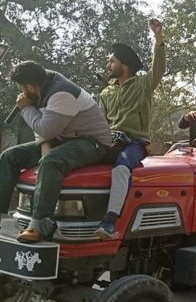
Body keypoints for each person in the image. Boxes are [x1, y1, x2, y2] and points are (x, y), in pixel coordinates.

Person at [0, 61, 112, 243]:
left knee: (51, 161)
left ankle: (39, 224)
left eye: (22, 88)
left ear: (30, 86)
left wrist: (26, 108)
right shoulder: (41, 84)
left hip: (92, 143)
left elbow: (45, 128)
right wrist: (45, 144)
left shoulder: (61, 93)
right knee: (9, 157)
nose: (21, 93)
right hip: (62, 138)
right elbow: (44, 130)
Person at [95, 18, 166, 239]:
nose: (108, 66)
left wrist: (158, 37)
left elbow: (159, 68)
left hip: (134, 142)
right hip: (108, 140)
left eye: (112, 62)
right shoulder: (106, 92)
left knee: (121, 167)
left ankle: (109, 221)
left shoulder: (143, 84)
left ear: (124, 65)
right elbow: (99, 122)